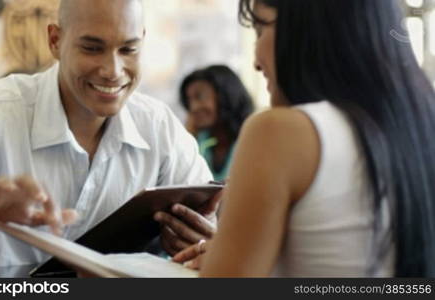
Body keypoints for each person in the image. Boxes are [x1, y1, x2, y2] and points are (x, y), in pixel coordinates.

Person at [0, 0, 217, 274]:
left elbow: (214, 228)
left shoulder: (158, 128)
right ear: (55, 41)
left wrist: (202, 242)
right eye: (92, 48)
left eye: (128, 49)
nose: (113, 70)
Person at [174, 0, 435, 277]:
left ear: (310, 32)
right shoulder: (421, 127)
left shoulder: (279, 132)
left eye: (261, 29)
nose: (255, 61)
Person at [180, 65, 254, 182]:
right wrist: (187, 138)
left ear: (226, 95)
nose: (193, 107)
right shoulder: (199, 141)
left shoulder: (253, 139)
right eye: (189, 100)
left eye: (200, 97)